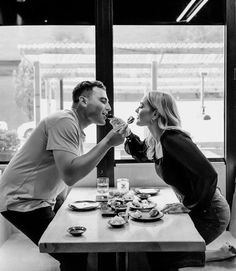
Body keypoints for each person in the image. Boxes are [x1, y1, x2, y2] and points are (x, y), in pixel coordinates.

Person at [0, 80, 126, 271]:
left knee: (80, 241)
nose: (108, 107)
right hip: (21, 201)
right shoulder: (64, 121)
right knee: (73, 254)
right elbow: (70, 174)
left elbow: (60, 169)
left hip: (40, 199)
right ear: (83, 101)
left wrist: (60, 201)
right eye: (103, 100)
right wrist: (108, 142)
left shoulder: (74, 127)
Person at [116, 90, 236, 270]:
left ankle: (215, 255)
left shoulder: (172, 138)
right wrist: (128, 134)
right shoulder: (156, 140)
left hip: (211, 213)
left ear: (155, 113)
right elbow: (141, 153)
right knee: (157, 249)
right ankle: (214, 254)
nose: (136, 109)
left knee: (165, 257)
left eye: (141, 106)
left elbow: (208, 175)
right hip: (200, 207)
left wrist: (189, 205)